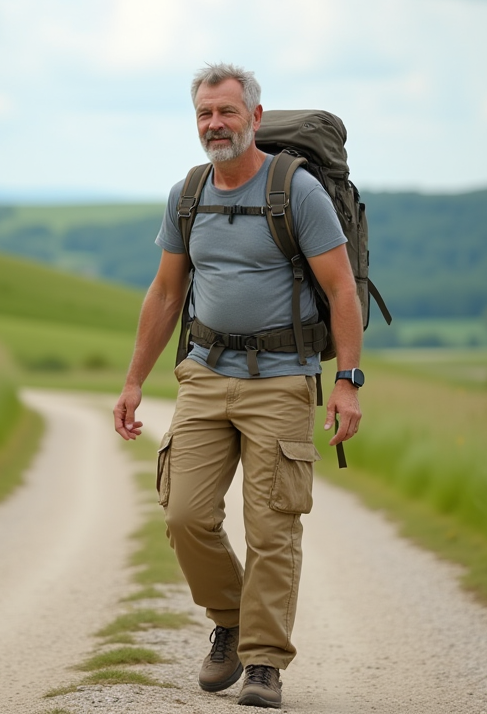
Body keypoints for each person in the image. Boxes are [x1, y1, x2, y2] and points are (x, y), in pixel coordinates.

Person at [113, 63, 364, 709]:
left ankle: (263, 664)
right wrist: (134, 380)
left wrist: (347, 383)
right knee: (184, 513)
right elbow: (167, 291)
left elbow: (341, 289)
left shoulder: (297, 191)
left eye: (226, 112)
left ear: (255, 116)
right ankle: (230, 620)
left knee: (273, 527)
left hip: (281, 381)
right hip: (202, 373)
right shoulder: (188, 193)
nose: (214, 124)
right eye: (204, 114)